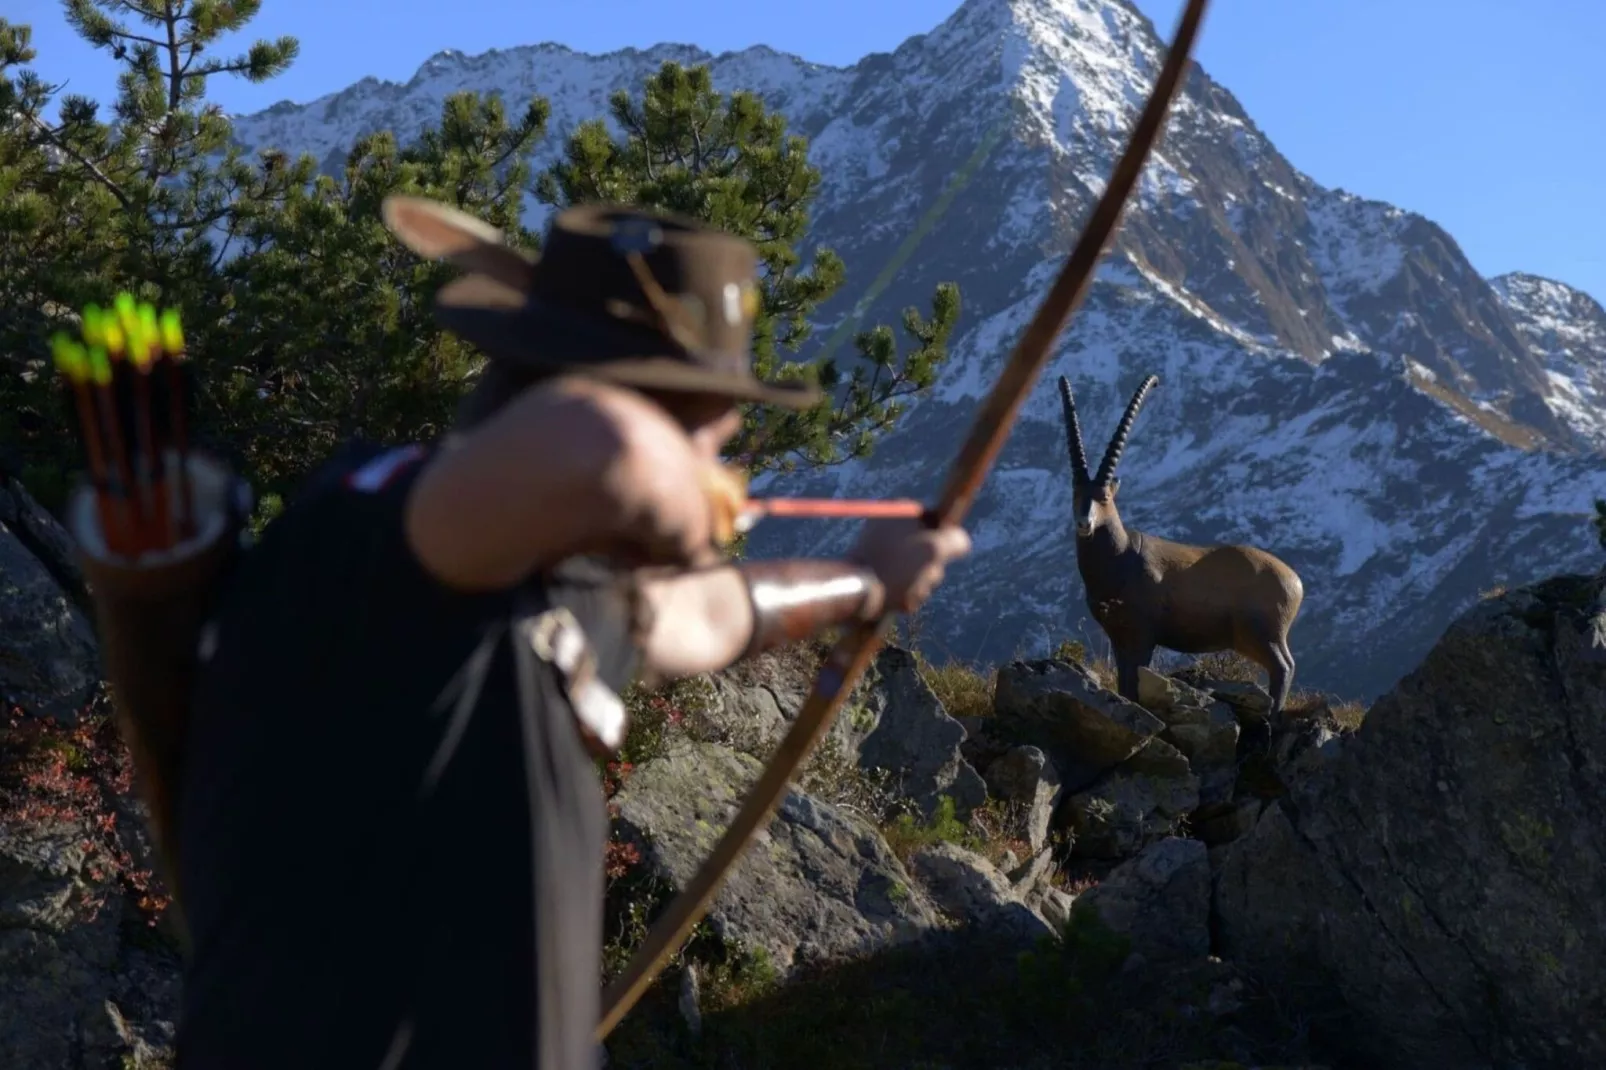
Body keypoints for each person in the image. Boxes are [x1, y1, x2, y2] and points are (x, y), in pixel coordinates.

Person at [171, 198, 972, 1069]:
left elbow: (697, 615)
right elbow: (608, 449)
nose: (734, 432)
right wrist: (689, 497)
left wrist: (866, 580)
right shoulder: (386, 522)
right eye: (715, 406)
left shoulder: (557, 572)